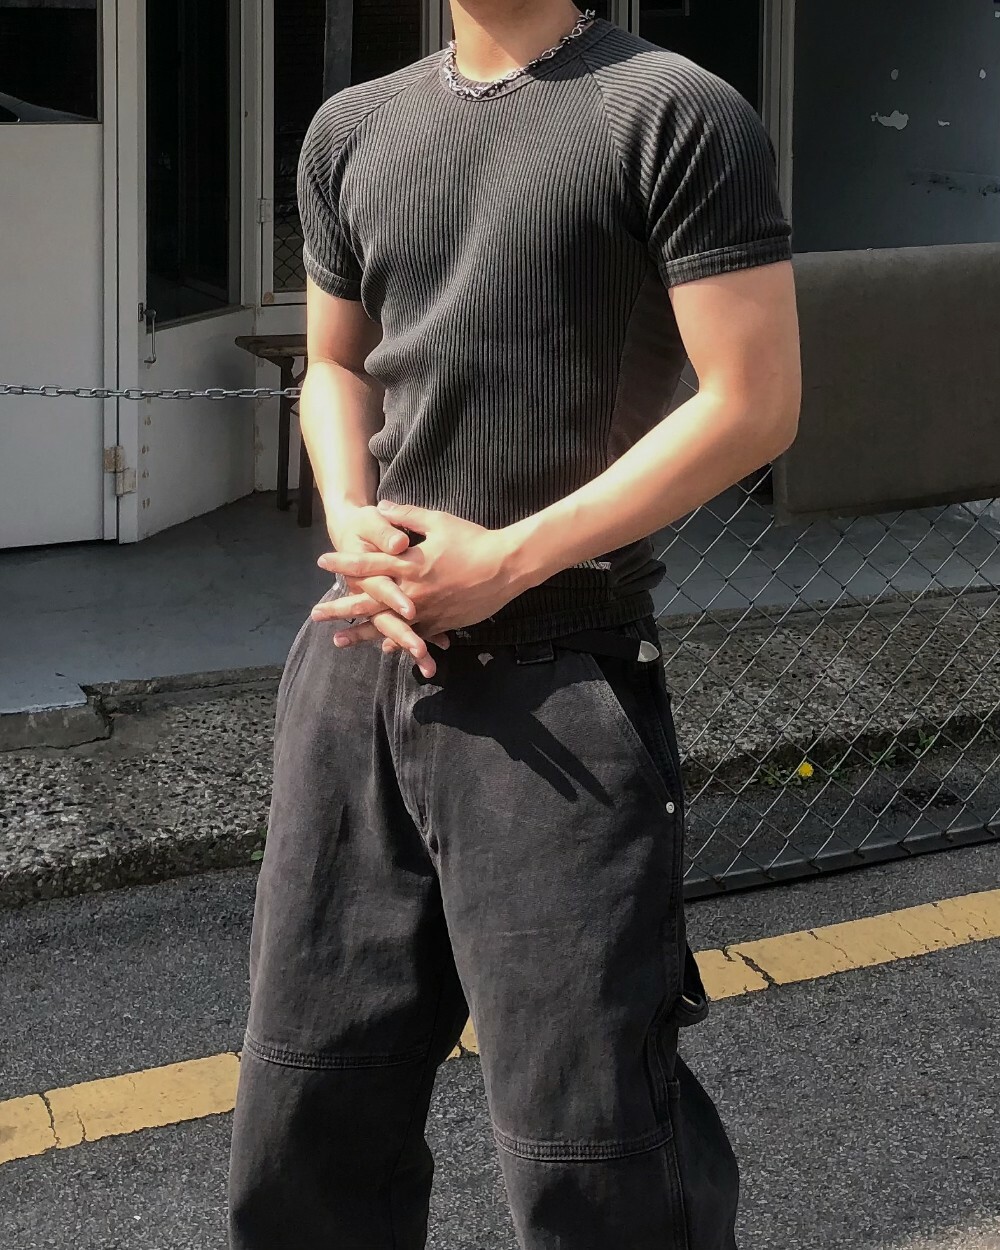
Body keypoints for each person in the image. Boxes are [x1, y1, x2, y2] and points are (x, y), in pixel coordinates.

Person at [228, 2, 800, 1247]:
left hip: (561, 673)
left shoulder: (670, 111)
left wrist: (509, 559)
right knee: (308, 1107)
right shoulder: (352, 127)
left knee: (590, 1137)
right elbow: (338, 364)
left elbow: (754, 402)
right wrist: (353, 517)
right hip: (356, 662)